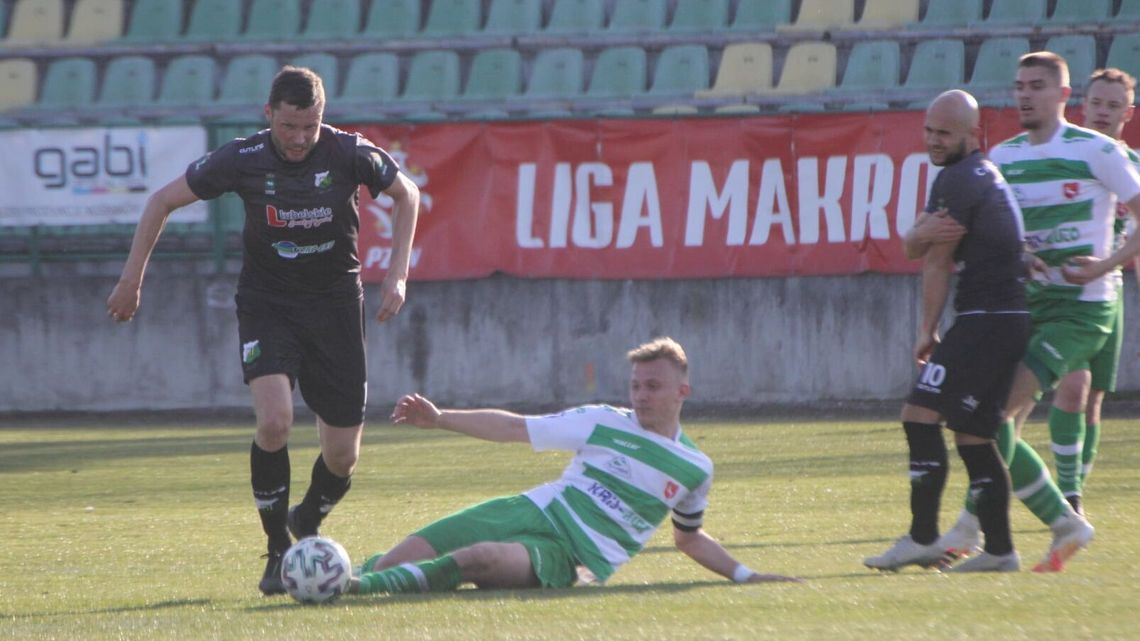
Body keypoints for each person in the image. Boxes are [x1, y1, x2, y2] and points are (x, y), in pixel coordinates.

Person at [105, 66, 421, 595]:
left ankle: (307, 520)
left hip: (337, 307)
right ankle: (278, 551)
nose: (299, 139)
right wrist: (130, 280)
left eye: (310, 127)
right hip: (267, 304)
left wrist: (398, 275)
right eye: (289, 127)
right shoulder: (240, 158)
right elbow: (161, 201)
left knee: (343, 456)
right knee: (274, 422)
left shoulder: (348, 152)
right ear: (269, 115)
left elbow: (407, 194)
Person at [344, 337, 801, 596]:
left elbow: (689, 537)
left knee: (474, 559)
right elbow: (516, 427)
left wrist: (745, 575)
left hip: (567, 556)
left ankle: (354, 589)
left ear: (682, 392)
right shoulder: (604, 421)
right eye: (637, 385)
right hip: (530, 509)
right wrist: (441, 419)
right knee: (399, 557)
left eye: (654, 386)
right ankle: (353, 575)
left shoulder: (694, 467)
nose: (641, 395)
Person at [935, 53, 1140, 573]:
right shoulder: (1002, 158)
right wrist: (1019, 254)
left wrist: (1105, 265)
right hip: (1025, 304)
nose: (1025, 94)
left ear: (1063, 96)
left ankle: (1058, 518)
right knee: (983, 418)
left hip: (1081, 311)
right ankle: (979, 526)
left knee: (995, 414)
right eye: (1019, 85)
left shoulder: (1097, 150)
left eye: (1037, 87)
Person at [863, 90, 1030, 573]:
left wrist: (927, 330)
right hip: (1006, 319)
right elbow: (923, 244)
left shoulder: (957, 180)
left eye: (945, 133)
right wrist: (915, 238)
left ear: (971, 135)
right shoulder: (977, 175)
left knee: (919, 414)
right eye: (929, 131)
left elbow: (930, 257)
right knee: (975, 436)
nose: (934, 141)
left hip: (986, 319)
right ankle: (1000, 551)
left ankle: (921, 538)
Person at [1078, 68, 1139, 513]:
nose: (1103, 111)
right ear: (1083, 104)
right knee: (1064, 390)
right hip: (1059, 288)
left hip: (1109, 288)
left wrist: (1108, 266)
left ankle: (1073, 488)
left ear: (1128, 113)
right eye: (1097, 102)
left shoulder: (1132, 166)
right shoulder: (1065, 153)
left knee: (1093, 396)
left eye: (1113, 105)